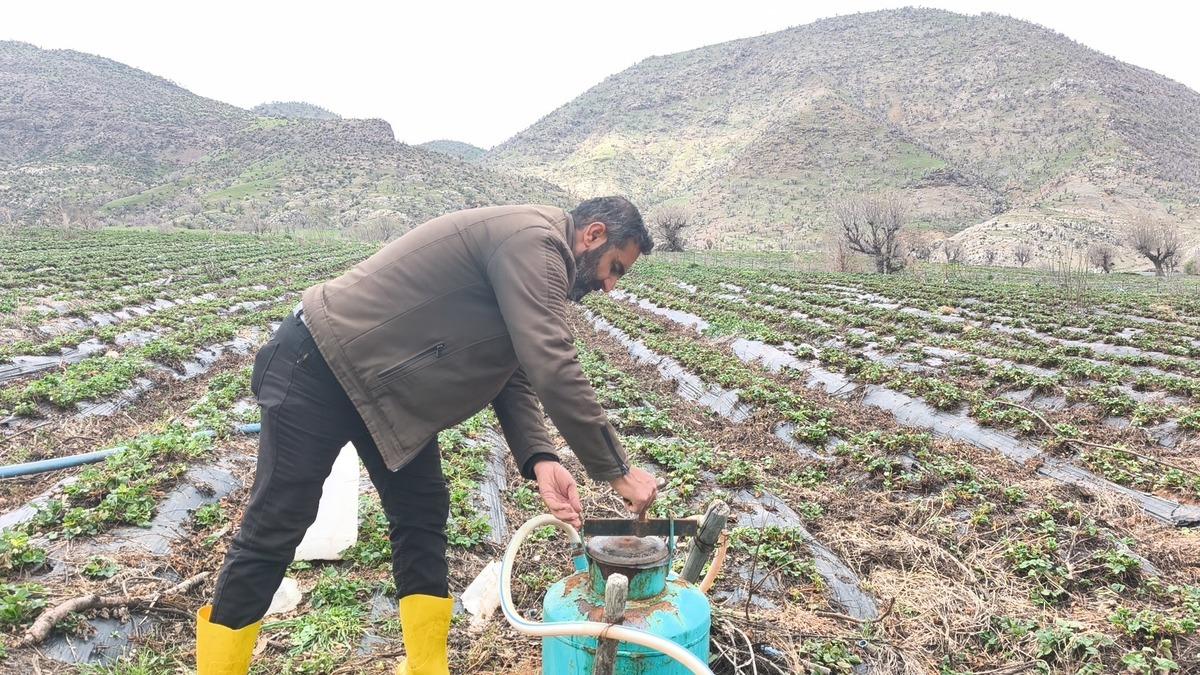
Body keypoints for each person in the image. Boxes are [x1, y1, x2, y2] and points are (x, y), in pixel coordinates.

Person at [195, 197, 660, 674]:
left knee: (421, 515)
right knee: (277, 523)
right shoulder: (535, 241)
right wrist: (618, 472)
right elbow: (552, 361)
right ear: (594, 234)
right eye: (615, 268)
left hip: (387, 393)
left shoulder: (538, 254)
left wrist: (540, 457)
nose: (609, 285)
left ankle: (425, 668)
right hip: (320, 364)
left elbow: (514, 367)